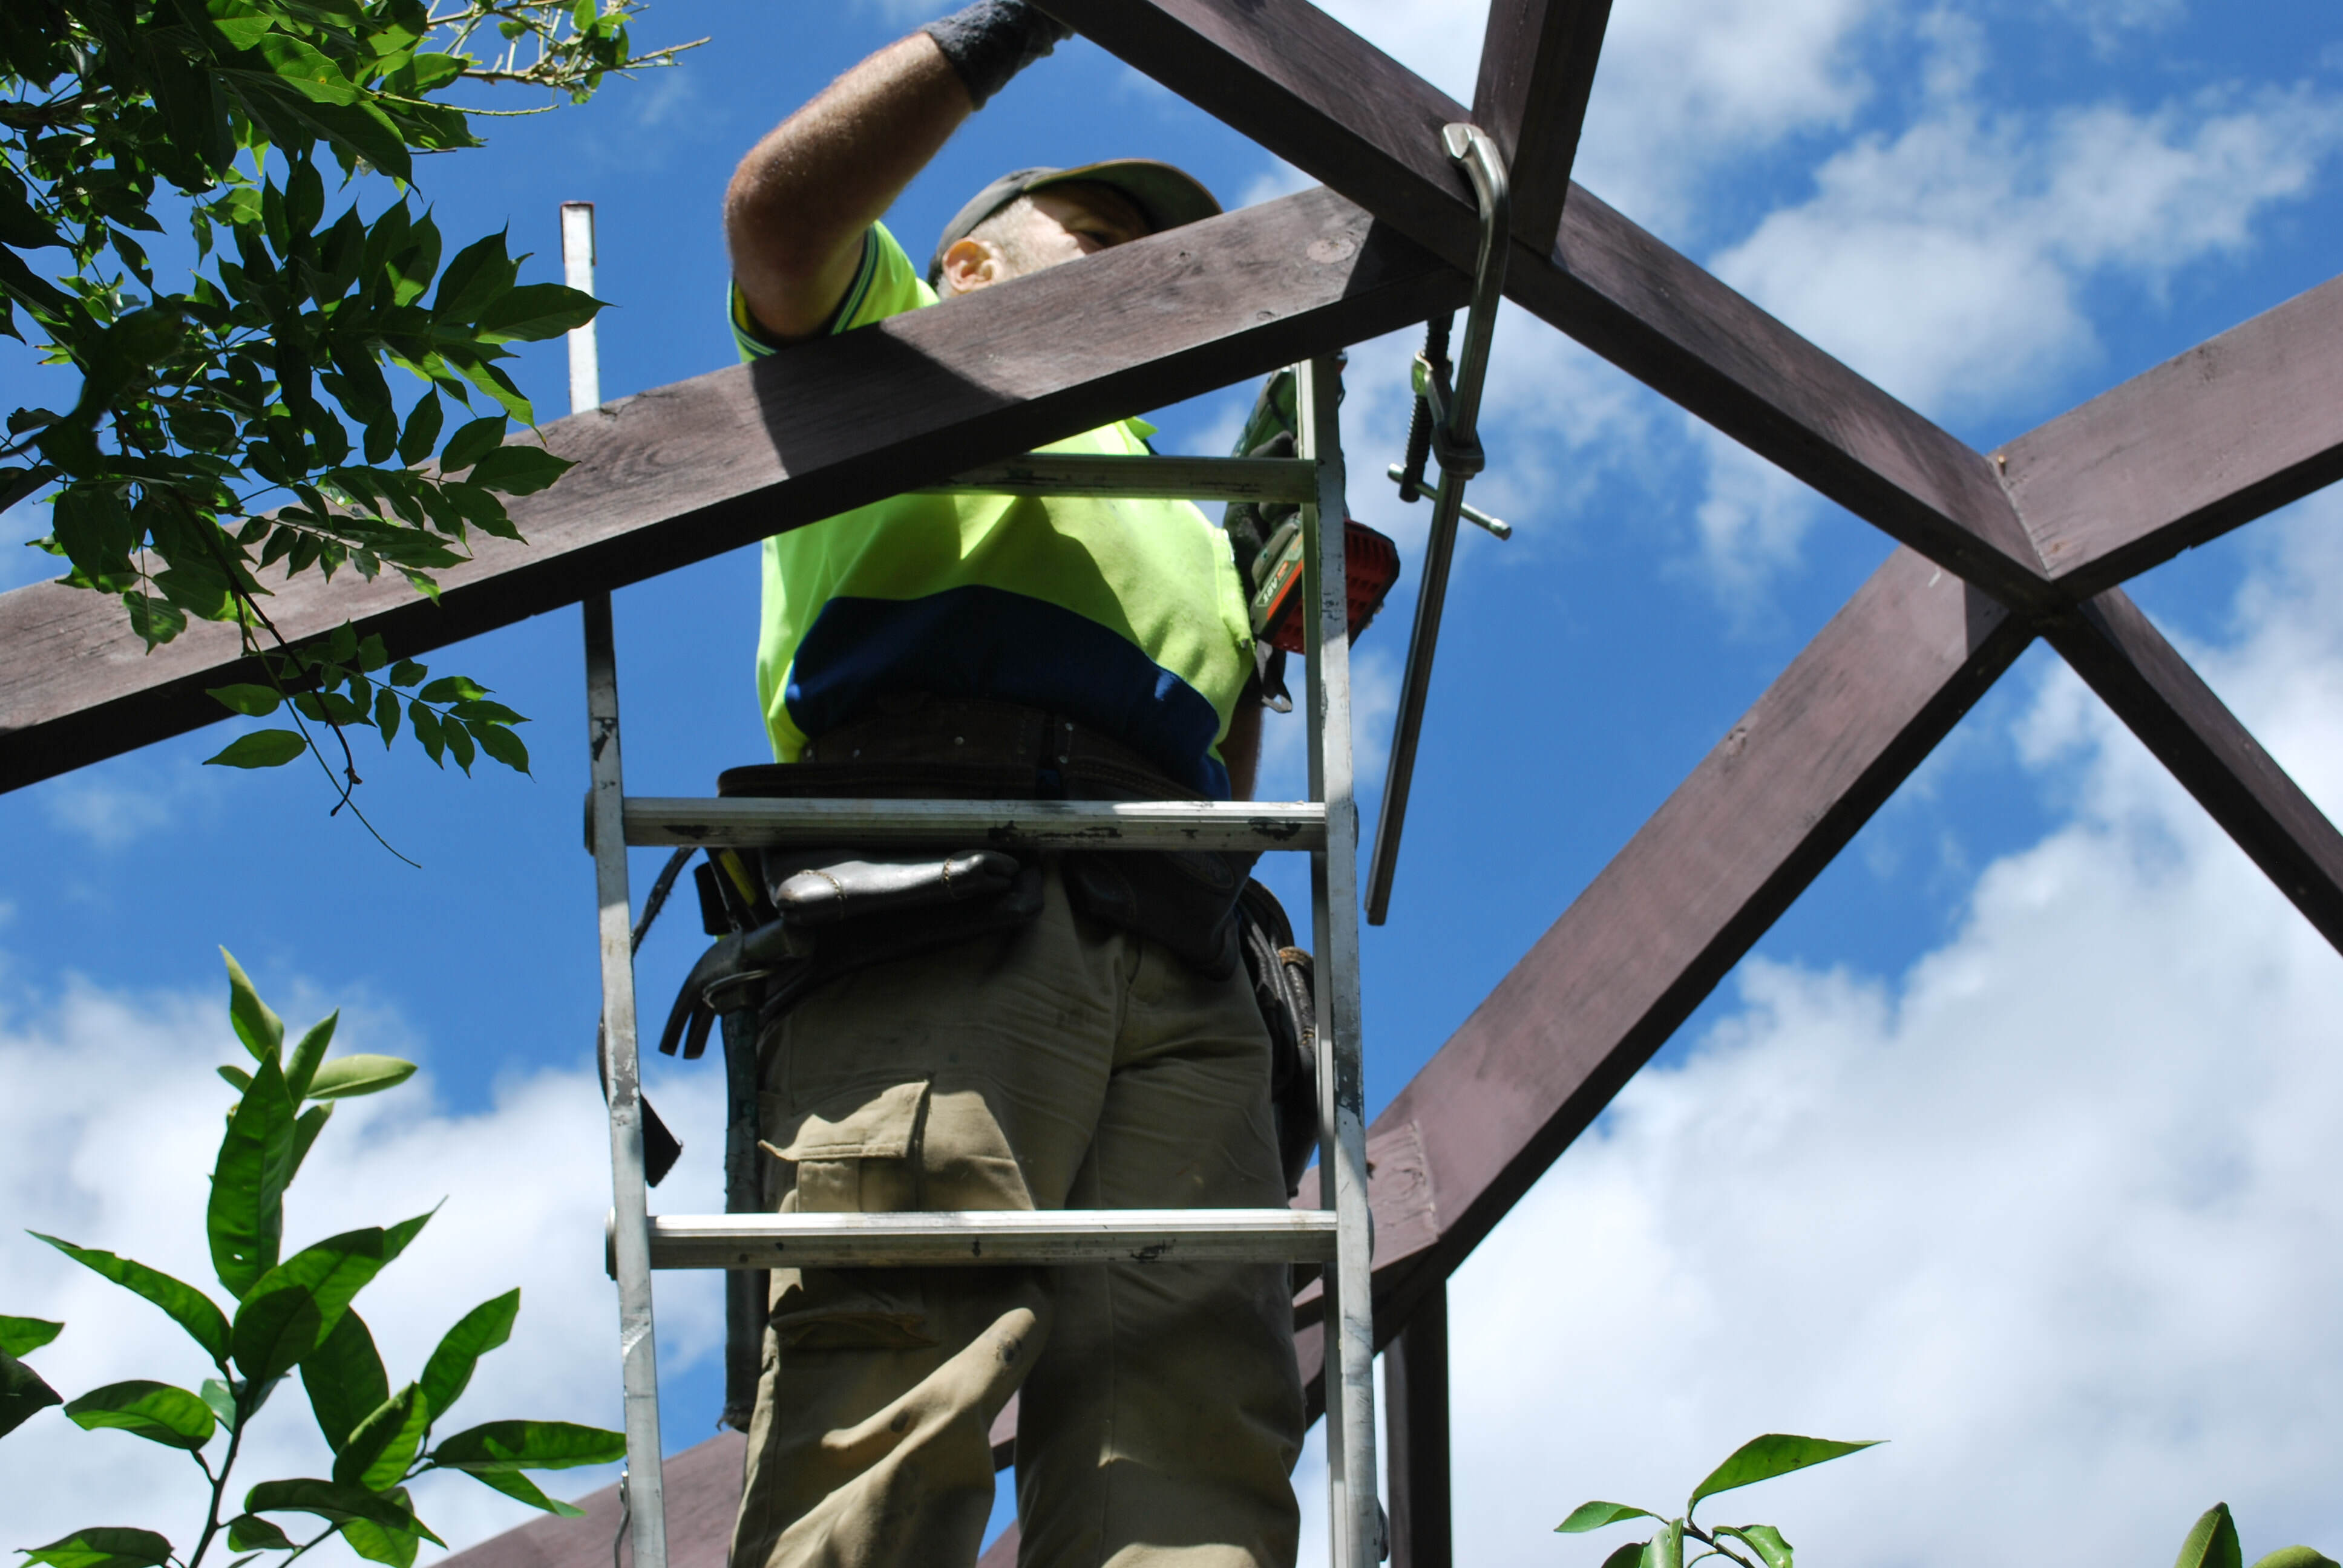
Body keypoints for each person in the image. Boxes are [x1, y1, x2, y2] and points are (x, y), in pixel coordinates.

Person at [719, 5, 1304, 1566]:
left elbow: (1223, 793)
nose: (1145, 276)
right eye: (1101, 237)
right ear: (973, 267)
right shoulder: (907, 357)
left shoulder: (1182, 507)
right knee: (897, 1371)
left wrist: (1271, 614)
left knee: (1195, 1413)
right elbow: (778, 220)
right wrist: (1012, 25)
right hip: (944, 894)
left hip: (1177, 944)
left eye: (1163, 259)